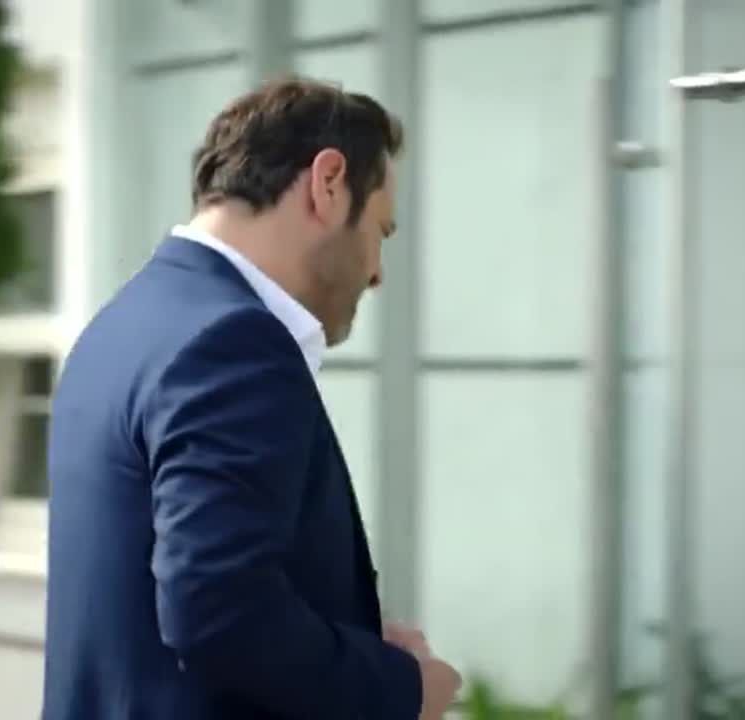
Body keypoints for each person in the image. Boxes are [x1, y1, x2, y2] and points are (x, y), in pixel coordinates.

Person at [42, 77, 463, 719]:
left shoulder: (120, 325)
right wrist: (402, 690)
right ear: (328, 183)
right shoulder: (232, 342)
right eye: (381, 229)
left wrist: (341, 641)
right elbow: (219, 611)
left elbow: (171, 604)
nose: (377, 270)